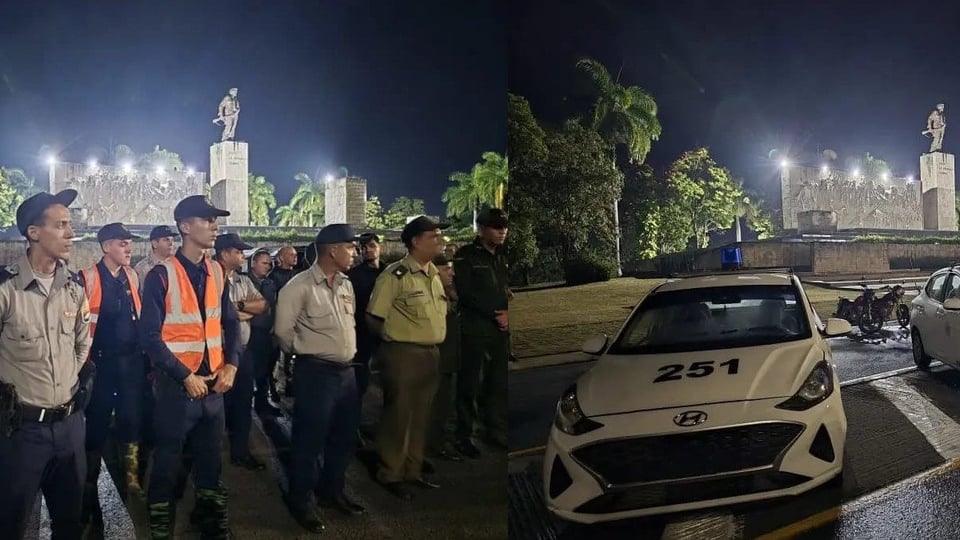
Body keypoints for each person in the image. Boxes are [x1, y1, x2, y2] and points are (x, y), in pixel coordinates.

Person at [139, 195, 242, 539]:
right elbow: (149, 337)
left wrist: (232, 365)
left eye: (216, 220)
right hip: (176, 389)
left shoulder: (216, 270)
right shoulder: (160, 275)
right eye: (207, 220)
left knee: (211, 460)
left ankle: (211, 517)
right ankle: (160, 522)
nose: (215, 226)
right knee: (167, 459)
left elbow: (230, 322)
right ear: (185, 227)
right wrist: (184, 375)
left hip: (214, 386)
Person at [0, 189, 93, 539]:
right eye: (61, 225)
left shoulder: (74, 288)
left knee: (69, 523)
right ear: (34, 232)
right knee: (11, 523)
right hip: (21, 432)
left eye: (71, 225)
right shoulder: (6, 290)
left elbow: (83, 343)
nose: (71, 234)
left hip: (69, 427)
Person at [274, 224, 364, 533]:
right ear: (333, 250)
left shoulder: (345, 285)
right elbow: (283, 333)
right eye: (350, 247)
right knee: (308, 441)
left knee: (343, 437)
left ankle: (332, 492)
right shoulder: (298, 287)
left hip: (347, 373)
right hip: (317, 373)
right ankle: (300, 500)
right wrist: (304, 355)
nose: (355, 252)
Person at [366, 216, 449, 500]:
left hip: (431, 353)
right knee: (398, 415)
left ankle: (412, 472)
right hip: (403, 353)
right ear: (415, 241)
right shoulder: (395, 275)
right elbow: (374, 317)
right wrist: (393, 341)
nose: (440, 241)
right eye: (434, 236)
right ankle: (390, 472)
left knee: (420, 416)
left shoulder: (433, 274)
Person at [79, 222, 147, 531]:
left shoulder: (132, 276)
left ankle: (131, 474)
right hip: (101, 364)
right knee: (96, 421)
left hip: (130, 362)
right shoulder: (88, 278)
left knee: (131, 417)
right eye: (122, 243)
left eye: (129, 243)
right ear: (106, 247)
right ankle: (89, 480)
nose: (128, 248)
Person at [453, 207, 510, 457]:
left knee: (496, 382)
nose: (503, 232)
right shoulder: (466, 256)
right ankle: (464, 435)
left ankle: (493, 430)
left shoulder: (500, 256)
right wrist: (496, 314)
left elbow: (503, 290)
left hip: (499, 332)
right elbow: (465, 294)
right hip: (475, 329)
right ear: (482, 229)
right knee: (470, 384)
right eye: (497, 228)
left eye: (504, 228)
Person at [214, 233, 268, 470]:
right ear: (225, 253)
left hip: (242, 353)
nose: (242, 255)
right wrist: (241, 314)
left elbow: (262, 305)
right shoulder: (208, 279)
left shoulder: (242, 281)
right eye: (237, 251)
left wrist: (237, 308)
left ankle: (240, 451)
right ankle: (211, 457)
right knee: (216, 408)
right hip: (217, 354)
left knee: (243, 403)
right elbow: (214, 317)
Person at [346, 233, 384, 442]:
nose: (368, 250)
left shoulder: (389, 272)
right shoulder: (353, 276)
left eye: (371, 245)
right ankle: (354, 427)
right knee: (359, 384)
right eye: (363, 247)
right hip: (362, 335)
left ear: (380, 247)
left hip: (386, 336)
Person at [426, 253, 463, 462]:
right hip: (437, 359)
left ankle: (438, 443)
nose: (451, 273)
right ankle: (432, 447)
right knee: (435, 407)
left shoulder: (451, 293)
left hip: (449, 359)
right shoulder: (431, 294)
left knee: (444, 407)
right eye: (446, 269)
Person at [247, 250, 282, 416]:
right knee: (247, 373)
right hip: (250, 332)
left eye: (270, 263)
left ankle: (262, 403)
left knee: (265, 371)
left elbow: (273, 307)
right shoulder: (245, 281)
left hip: (266, 332)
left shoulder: (270, 283)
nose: (268, 266)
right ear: (253, 263)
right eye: (264, 263)